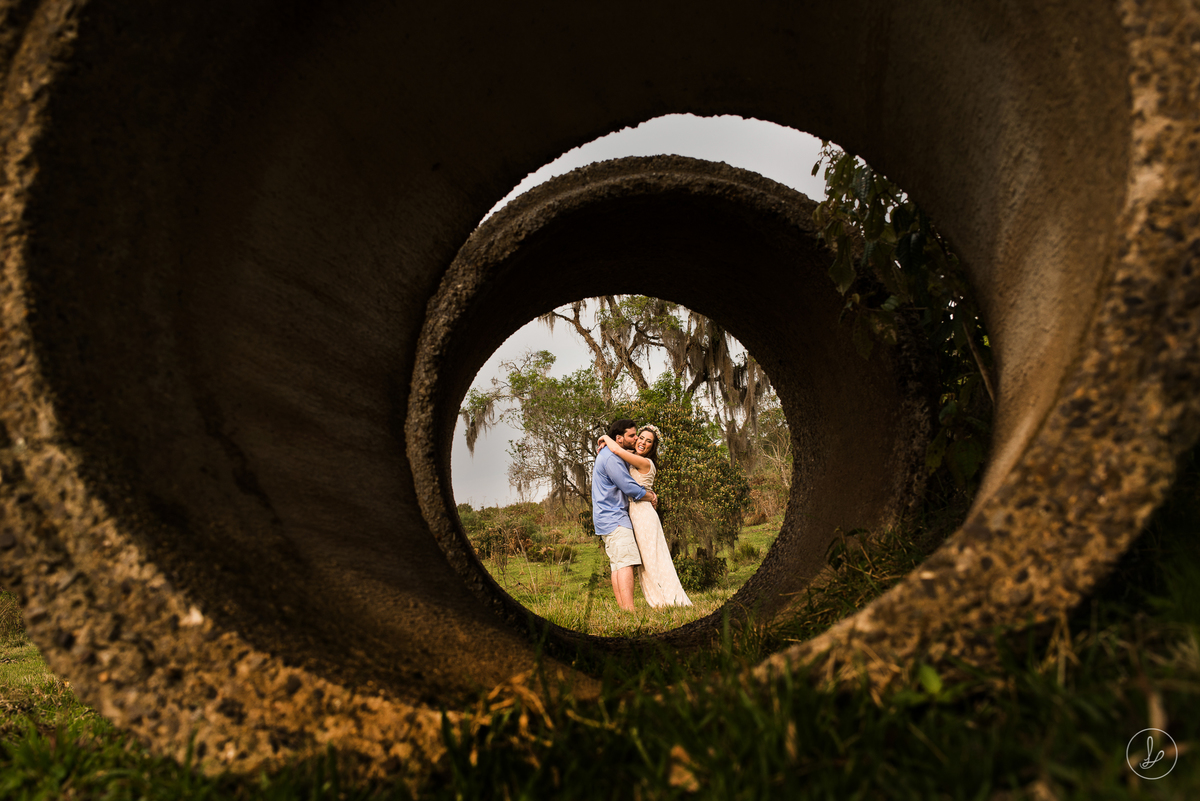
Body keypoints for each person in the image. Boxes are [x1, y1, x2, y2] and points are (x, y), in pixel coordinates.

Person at [597, 425, 692, 608]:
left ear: (653, 446)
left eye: (649, 441)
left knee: (653, 557)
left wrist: (604, 438)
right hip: (634, 512)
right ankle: (657, 598)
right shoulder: (634, 457)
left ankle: (668, 598)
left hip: (643, 514)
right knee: (645, 561)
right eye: (640, 438)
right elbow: (622, 450)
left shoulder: (645, 463)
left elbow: (617, 448)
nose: (643, 443)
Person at [591, 418, 658, 611]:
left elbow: (626, 454)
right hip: (615, 518)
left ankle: (624, 609)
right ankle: (629, 609)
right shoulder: (612, 458)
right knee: (626, 563)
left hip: (606, 518)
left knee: (618, 564)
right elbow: (629, 488)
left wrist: (604, 438)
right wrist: (650, 495)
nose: (636, 438)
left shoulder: (610, 453)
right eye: (632, 435)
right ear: (619, 439)